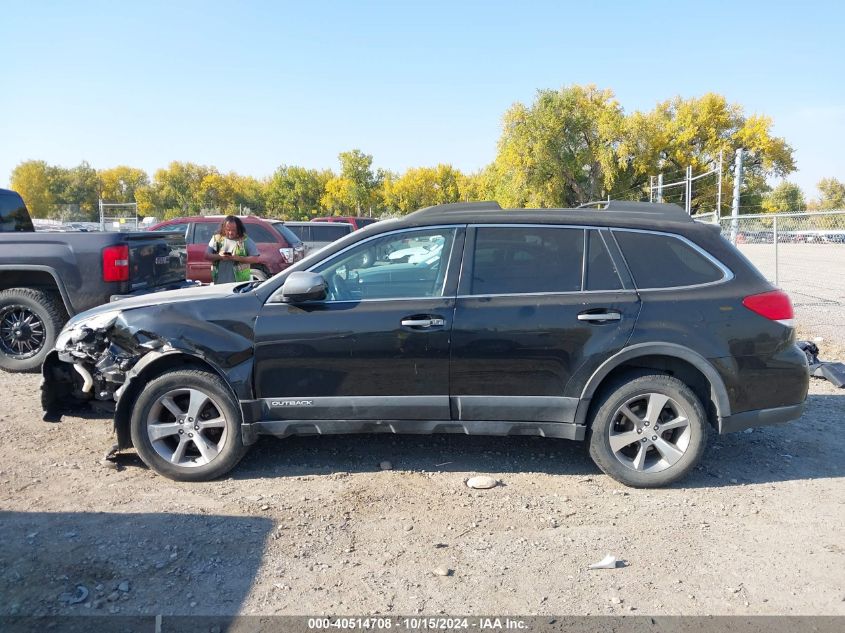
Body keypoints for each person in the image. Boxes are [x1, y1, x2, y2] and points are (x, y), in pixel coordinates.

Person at [204, 215, 262, 283]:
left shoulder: (245, 240)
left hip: (239, 285)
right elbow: (206, 255)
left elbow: (256, 259)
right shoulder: (217, 239)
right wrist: (219, 256)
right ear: (223, 228)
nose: (230, 233)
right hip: (219, 283)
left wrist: (239, 258)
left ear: (238, 229)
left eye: (233, 230)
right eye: (228, 230)